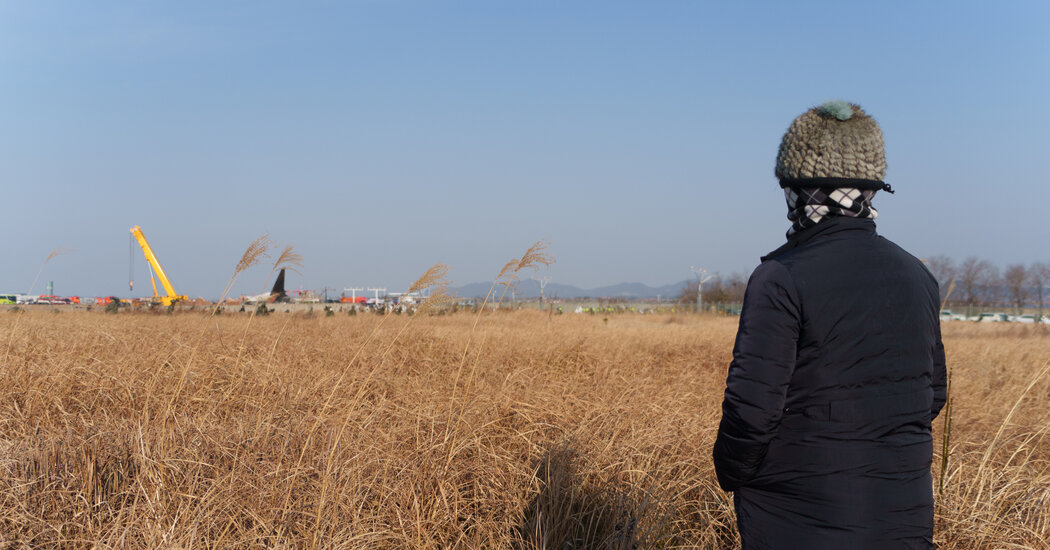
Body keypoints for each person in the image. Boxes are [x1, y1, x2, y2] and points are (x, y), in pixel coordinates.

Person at [712, 101, 948, 549]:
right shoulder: (918, 275)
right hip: (904, 508)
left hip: (798, 512)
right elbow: (932, 394)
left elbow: (752, 410)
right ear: (872, 190)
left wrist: (736, 474)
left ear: (795, 188)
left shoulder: (781, 276)